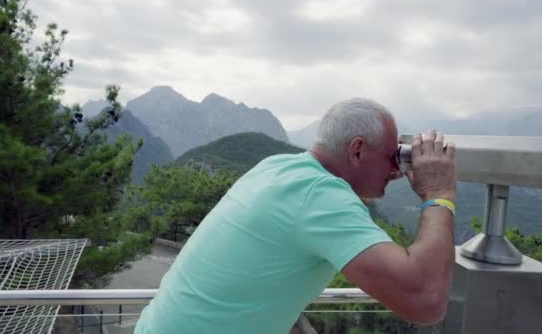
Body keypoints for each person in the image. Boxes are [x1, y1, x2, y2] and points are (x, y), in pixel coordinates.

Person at [135, 98, 456, 333]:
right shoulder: (318, 195)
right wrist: (438, 194)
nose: (394, 169)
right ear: (357, 150)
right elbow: (425, 300)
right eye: (391, 156)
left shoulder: (276, 168)